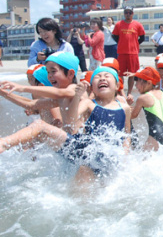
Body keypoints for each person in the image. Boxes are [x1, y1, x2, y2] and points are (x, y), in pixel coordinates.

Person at [0, 66, 131, 185]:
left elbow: (126, 135)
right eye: (97, 77)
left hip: (103, 154)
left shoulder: (123, 107)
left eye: (53, 71)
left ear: (117, 85)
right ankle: (4, 144)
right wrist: (4, 93)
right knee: (39, 127)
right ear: (92, 87)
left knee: (86, 174)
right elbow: (69, 119)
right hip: (82, 148)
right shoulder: (88, 103)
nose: (50, 77)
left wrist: (125, 158)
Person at [1, 52, 80, 134]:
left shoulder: (75, 89)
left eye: (53, 71)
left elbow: (59, 94)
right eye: (48, 72)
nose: (49, 76)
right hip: (70, 139)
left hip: (77, 139)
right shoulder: (59, 98)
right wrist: (2, 93)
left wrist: (22, 88)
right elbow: (30, 104)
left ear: (70, 74)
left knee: (39, 126)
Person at [131, 67, 163, 150]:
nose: (136, 85)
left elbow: (133, 116)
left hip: (155, 135)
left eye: (138, 82)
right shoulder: (162, 94)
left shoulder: (142, 98)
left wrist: (126, 107)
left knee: (143, 161)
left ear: (149, 83)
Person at [112, 6, 145, 101]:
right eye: (126, 12)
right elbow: (114, 36)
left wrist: (135, 44)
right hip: (121, 52)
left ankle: (129, 92)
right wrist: (122, 43)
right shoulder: (119, 24)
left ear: (132, 14)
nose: (128, 14)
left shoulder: (138, 25)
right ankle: (120, 91)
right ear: (124, 13)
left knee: (132, 74)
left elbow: (142, 37)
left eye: (130, 12)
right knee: (120, 73)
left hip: (133, 53)